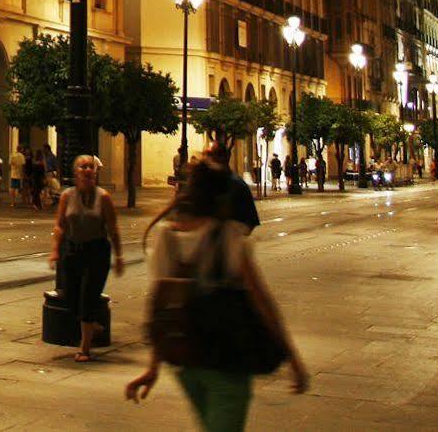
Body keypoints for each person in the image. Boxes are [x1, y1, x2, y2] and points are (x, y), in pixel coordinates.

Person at [127, 161, 310, 429]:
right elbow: (262, 302)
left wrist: (154, 366)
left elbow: (161, 305)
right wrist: (292, 358)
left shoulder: (166, 236)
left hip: (187, 363)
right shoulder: (229, 237)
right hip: (227, 360)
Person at [47, 154, 123, 362]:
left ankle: (84, 348)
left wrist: (119, 256)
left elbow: (112, 228)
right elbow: (60, 225)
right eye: (83, 166)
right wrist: (55, 250)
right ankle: (91, 324)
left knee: (88, 296)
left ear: (95, 173)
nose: (87, 170)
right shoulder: (66, 196)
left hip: (97, 251)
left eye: (91, 167)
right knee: (69, 295)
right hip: (72, 250)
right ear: (75, 172)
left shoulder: (104, 197)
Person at [205, 139, 259, 231]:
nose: (205, 159)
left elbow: (250, 222)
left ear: (221, 158)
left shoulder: (237, 185)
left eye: (209, 155)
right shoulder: (204, 182)